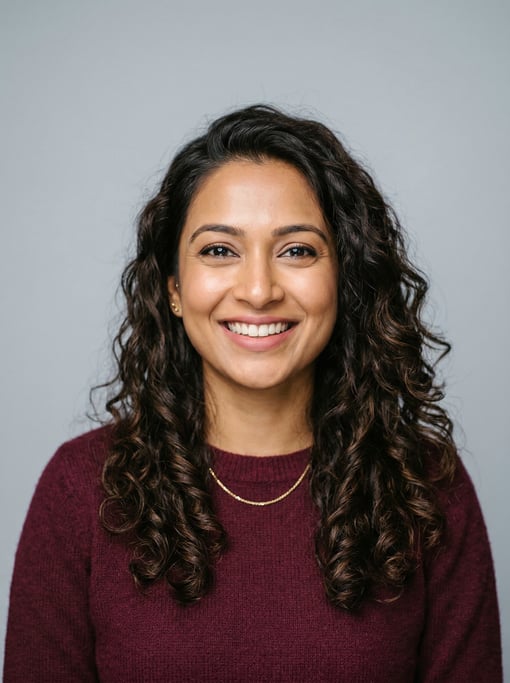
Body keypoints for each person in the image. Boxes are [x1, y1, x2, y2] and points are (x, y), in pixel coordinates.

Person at [4, 105, 502, 682]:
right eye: (220, 250)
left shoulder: (429, 485)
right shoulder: (80, 488)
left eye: (297, 250)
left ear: (344, 278)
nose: (260, 290)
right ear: (172, 288)